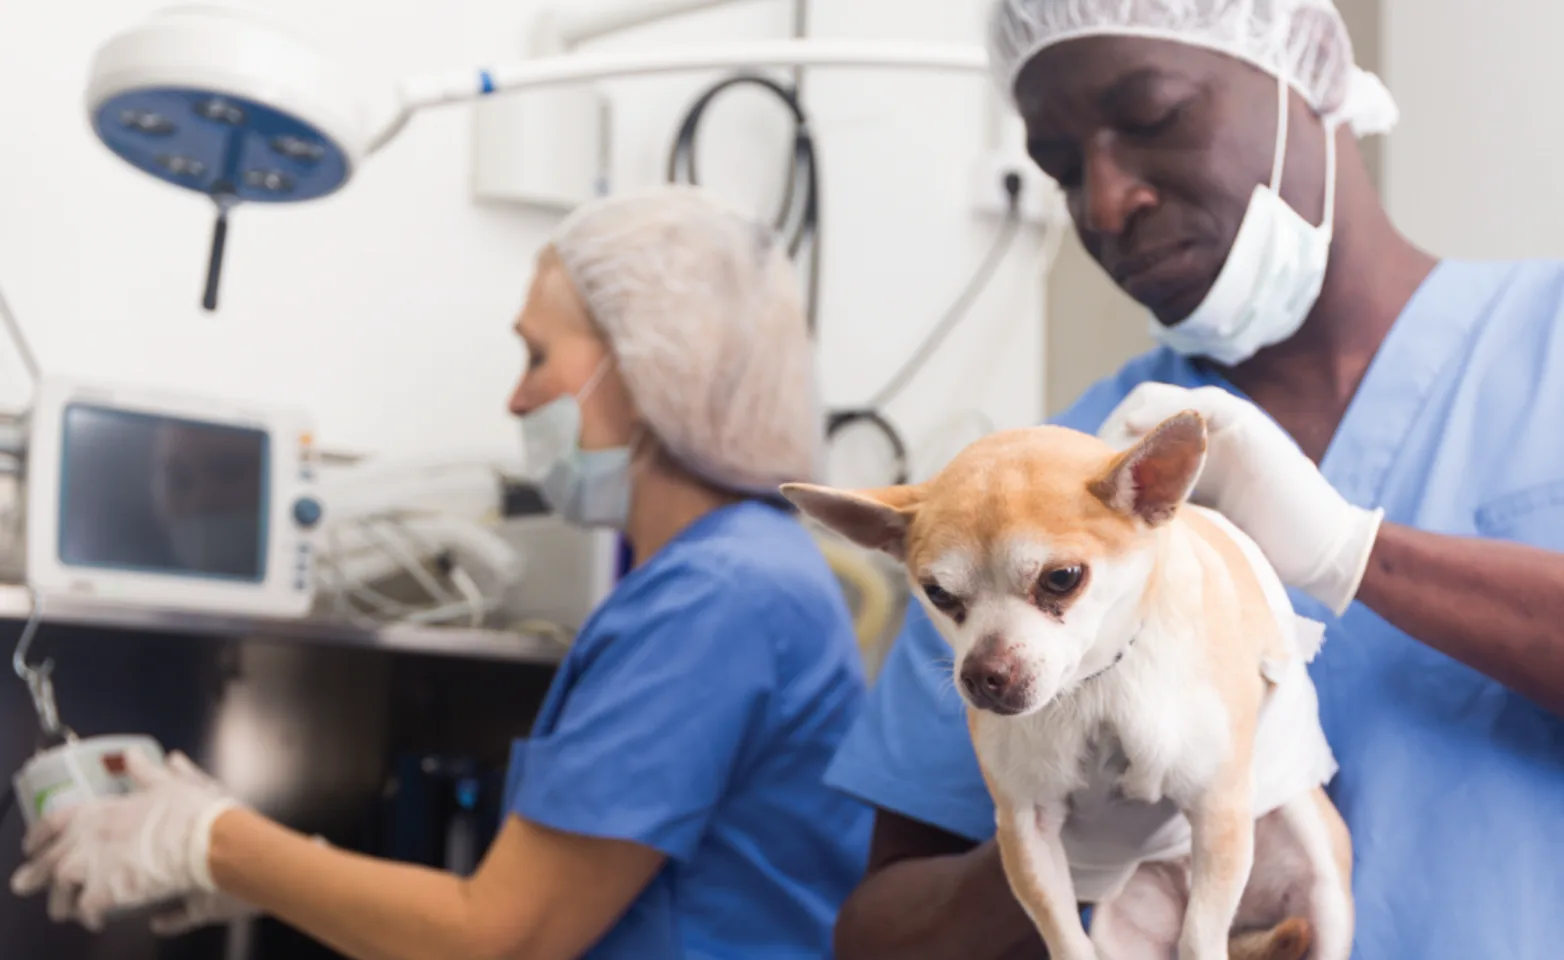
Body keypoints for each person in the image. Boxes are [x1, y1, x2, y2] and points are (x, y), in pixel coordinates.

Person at [826, 2, 1564, 958]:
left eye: (1153, 116)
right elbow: (880, 936)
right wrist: (1071, 840)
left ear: (1309, 79)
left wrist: (1353, 556)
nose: (1103, 202)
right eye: (1059, 166)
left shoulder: (1544, 349)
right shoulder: (1051, 488)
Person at [11, 185, 873, 959]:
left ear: (653, 370)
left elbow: (497, 935)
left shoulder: (719, 598)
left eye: (537, 356)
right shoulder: (730, 577)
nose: (515, 399)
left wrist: (212, 841)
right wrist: (258, 869)